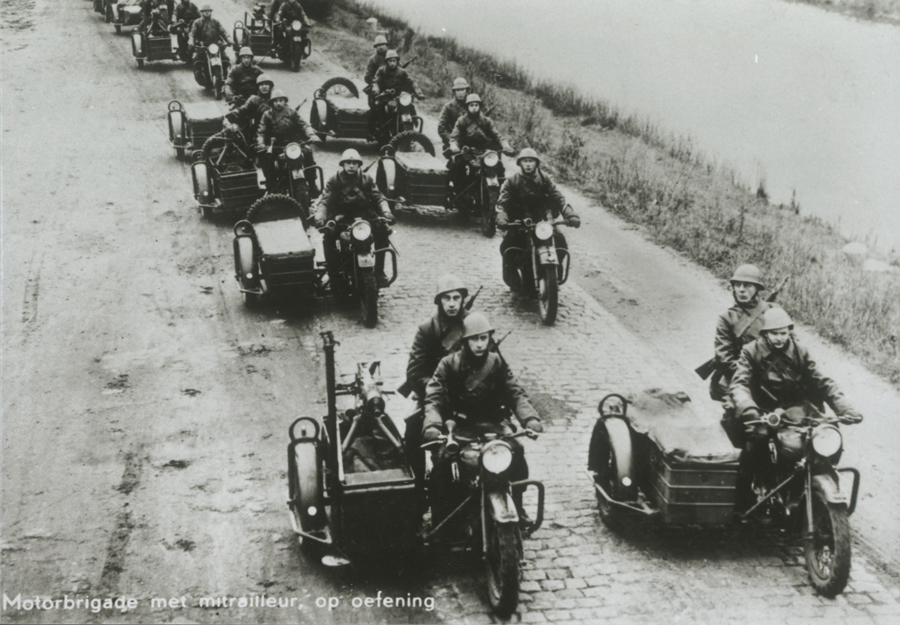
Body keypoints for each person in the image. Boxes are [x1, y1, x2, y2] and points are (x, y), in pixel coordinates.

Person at [729, 308, 862, 508]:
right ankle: (745, 494)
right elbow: (739, 384)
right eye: (775, 333)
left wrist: (842, 406)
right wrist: (749, 409)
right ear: (765, 333)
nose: (780, 338)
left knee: (825, 433)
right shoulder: (751, 351)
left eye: (784, 333)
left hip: (796, 408)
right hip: (762, 410)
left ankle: (816, 478)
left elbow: (821, 380)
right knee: (757, 439)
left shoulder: (800, 351)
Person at [423, 312, 543, 527]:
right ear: (464, 341)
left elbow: (515, 391)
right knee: (442, 464)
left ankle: (516, 502)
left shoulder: (497, 362)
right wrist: (432, 425)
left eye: (483, 338)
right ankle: (442, 518)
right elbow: (434, 397)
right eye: (474, 339)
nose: (479, 344)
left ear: (489, 339)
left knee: (516, 452)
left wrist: (529, 418)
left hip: (493, 425)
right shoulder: (448, 364)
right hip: (459, 427)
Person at [400, 276, 470, 487]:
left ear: (462, 300)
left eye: (456, 298)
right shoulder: (427, 329)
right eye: (446, 298)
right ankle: (419, 493)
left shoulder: (473, 325)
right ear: (439, 301)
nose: (451, 303)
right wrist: (438, 389)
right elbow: (414, 372)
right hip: (433, 397)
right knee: (413, 438)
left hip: (468, 398)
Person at [495, 148, 580, 289]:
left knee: (560, 242)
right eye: (525, 161)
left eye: (531, 161)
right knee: (507, 246)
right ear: (520, 163)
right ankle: (513, 279)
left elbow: (558, 197)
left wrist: (570, 214)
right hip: (519, 221)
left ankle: (554, 272)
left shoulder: (545, 179)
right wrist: (502, 218)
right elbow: (502, 203)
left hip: (543, 221)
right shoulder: (512, 181)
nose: (528, 164)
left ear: (536, 163)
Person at [314, 149, 395, 288]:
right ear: (343, 164)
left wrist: (386, 212)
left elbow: (378, 197)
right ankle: (335, 275)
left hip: (364, 218)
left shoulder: (366, 179)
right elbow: (325, 200)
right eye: (348, 162)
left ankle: (379, 271)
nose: (351, 166)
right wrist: (320, 217)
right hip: (342, 219)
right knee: (328, 237)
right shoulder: (334, 180)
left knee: (383, 232)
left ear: (359, 165)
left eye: (354, 163)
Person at [710, 264, 778, 405]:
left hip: (774, 378)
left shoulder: (772, 310)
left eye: (747, 285)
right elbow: (724, 358)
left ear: (757, 289)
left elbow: (792, 344)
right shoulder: (727, 318)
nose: (741, 289)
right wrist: (753, 378)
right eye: (738, 285)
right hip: (741, 379)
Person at [256, 90, 320, 202]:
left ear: (285, 101)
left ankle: (312, 183)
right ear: (272, 102)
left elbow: (303, 124)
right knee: (266, 159)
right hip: (276, 145)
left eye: (281, 100)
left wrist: (311, 135)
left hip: (294, 144)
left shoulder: (292, 112)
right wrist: (261, 144)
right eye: (275, 101)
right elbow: (261, 131)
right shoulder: (267, 115)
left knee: (308, 153)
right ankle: (271, 186)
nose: (278, 103)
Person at [446, 93, 514, 196]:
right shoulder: (462, 121)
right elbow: (454, 136)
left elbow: (497, 135)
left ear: (479, 106)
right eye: (471, 105)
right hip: (467, 152)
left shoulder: (486, 121)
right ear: (467, 107)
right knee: (456, 166)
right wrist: (454, 145)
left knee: (498, 166)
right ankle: (457, 192)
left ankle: (500, 193)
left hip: (484, 152)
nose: (474, 108)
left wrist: (505, 145)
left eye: (476, 105)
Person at [370, 50, 424, 140]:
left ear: (397, 61)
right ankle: (381, 131)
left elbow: (412, 82)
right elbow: (376, 81)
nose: (392, 63)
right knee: (379, 109)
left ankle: (413, 125)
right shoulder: (381, 70)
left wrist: (419, 93)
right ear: (387, 62)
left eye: (394, 61)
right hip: (385, 96)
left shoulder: (402, 72)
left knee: (410, 107)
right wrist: (376, 89)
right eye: (390, 61)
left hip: (399, 97)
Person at [189, 4, 231, 85]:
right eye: (205, 11)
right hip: (203, 46)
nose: (207, 13)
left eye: (208, 11)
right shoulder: (197, 22)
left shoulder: (215, 22)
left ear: (210, 12)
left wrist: (229, 40)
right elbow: (192, 34)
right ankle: (200, 78)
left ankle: (225, 76)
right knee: (196, 61)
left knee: (225, 59)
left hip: (215, 46)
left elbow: (223, 32)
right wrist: (191, 42)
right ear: (202, 12)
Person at [364, 35, 389, 138]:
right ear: (375, 47)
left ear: (386, 45)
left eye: (382, 44)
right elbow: (367, 76)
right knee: (377, 109)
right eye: (378, 45)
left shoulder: (391, 57)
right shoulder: (372, 60)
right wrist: (376, 83)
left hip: (391, 89)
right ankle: (373, 131)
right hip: (376, 89)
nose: (381, 47)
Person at [438, 78, 470, 152]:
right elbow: (441, 128)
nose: (460, 93)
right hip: (455, 141)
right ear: (454, 92)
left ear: (466, 90)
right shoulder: (448, 107)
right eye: (458, 90)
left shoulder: (472, 105)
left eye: (462, 90)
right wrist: (452, 141)